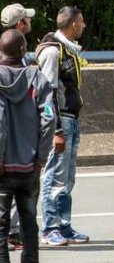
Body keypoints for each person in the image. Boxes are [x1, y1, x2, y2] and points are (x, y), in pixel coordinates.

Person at [0, 30, 55, 263]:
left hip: (2, 167)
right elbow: (50, 118)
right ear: (23, 50)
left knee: (0, 227)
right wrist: (40, 158)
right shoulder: (38, 78)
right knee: (29, 221)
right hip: (29, 166)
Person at [36, 6, 88, 246]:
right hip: (61, 122)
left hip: (72, 119)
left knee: (67, 178)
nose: (85, 26)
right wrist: (54, 129)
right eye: (82, 22)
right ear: (74, 25)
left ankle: (64, 225)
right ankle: (49, 228)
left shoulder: (69, 50)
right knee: (54, 176)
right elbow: (46, 95)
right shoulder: (53, 52)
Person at [0, 3, 36, 249]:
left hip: (8, 154)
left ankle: (12, 233)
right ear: (21, 25)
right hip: (24, 156)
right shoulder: (31, 72)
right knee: (24, 211)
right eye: (27, 18)